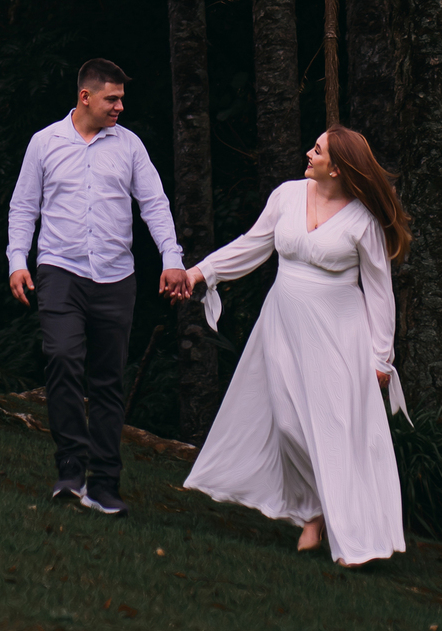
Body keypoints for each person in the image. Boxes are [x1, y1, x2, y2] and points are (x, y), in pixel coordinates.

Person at [178, 125, 411, 567]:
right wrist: (200, 273)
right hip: (283, 327)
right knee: (288, 424)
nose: (309, 152)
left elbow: (380, 292)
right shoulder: (287, 196)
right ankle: (314, 509)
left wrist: (381, 358)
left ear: (337, 169)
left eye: (317, 150)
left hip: (338, 337)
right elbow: (252, 245)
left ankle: (350, 535)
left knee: (335, 430)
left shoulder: (363, 220)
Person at [7, 59, 189, 518]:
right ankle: (70, 467)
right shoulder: (44, 143)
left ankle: (105, 484)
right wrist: (17, 261)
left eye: (122, 99)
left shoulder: (130, 146)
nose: (120, 107)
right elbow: (24, 207)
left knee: (109, 382)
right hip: (59, 271)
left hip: (116, 278)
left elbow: (154, 204)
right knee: (62, 358)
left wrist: (172, 259)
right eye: (112, 98)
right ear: (85, 97)